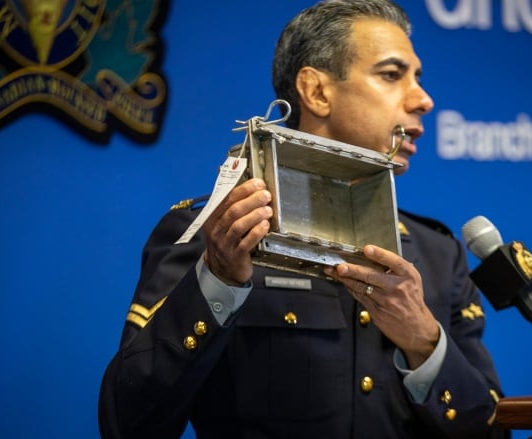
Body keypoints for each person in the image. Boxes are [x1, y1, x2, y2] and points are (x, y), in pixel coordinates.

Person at [98, 1, 507, 437]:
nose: (423, 100)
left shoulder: (439, 254)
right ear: (316, 92)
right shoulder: (213, 232)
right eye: (391, 75)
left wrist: (424, 342)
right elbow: (125, 423)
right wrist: (216, 281)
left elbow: (493, 432)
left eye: (418, 79)